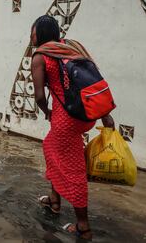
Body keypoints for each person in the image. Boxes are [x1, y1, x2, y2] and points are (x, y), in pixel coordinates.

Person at [30, 15, 115, 240]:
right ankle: (54, 199)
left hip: (65, 118)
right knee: (50, 147)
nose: (31, 35)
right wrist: (105, 114)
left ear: (40, 33)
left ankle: (83, 226)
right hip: (86, 113)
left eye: (33, 31)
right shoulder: (70, 47)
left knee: (73, 169)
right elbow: (91, 78)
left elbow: (39, 96)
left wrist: (46, 111)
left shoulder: (40, 56)